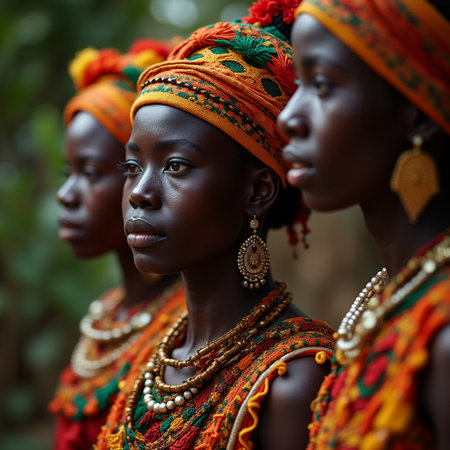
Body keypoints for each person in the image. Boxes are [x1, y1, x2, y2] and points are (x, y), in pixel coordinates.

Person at [95, 2, 335, 449]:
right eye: (132, 166)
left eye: (177, 166)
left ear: (258, 191)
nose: (140, 193)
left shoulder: (292, 380)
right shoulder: (152, 358)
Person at [277, 0, 450, 448]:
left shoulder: (443, 333)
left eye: (322, 84)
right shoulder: (384, 301)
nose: (288, 117)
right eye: (298, 85)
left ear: (415, 112)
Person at [48, 39, 185, 450]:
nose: (65, 195)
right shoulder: (107, 314)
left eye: (90, 173)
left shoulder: (189, 329)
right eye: (67, 172)